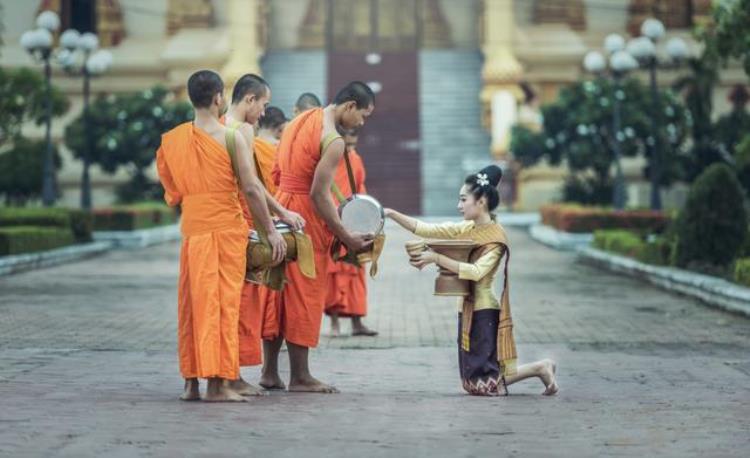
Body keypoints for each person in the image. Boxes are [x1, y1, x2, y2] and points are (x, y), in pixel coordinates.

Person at [155, 70, 286, 402]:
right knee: (223, 306)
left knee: (193, 306)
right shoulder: (231, 138)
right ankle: (217, 385)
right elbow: (253, 189)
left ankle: (192, 382)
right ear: (218, 99)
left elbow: (172, 192)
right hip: (226, 230)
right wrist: (270, 231)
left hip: (193, 232)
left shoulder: (171, 140)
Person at [385, 165, 559, 397]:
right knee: (473, 382)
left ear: (482, 201)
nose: (459, 206)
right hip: (468, 308)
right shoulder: (468, 227)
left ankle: (540, 367)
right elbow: (427, 228)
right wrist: (391, 213)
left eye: (463, 199)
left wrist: (436, 257)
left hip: (484, 310)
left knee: (485, 383)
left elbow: (476, 272)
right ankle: (540, 367)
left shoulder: (496, 238)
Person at [260, 82, 375, 393]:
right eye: (363, 115)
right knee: (303, 295)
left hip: (281, 208)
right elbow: (319, 195)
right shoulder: (334, 140)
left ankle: (270, 372)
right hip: (305, 218)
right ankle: (300, 376)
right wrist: (346, 236)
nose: (362, 123)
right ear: (349, 106)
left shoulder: (299, 119)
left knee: (279, 291)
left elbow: (275, 171)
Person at [223, 75, 304, 396]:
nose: (265, 112)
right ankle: (230, 374)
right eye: (264, 104)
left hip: (224, 224)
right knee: (239, 304)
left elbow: (253, 184)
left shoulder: (215, 128)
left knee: (233, 303)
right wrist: (272, 227)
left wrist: (280, 214)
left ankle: (228, 373)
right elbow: (252, 186)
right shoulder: (240, 131)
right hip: (239, 225)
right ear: (249, 100)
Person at [325, 129, 378, 337]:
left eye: (353, 145)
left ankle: (357, 322)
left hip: (355, 220)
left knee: (356, 272)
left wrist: (366, 216)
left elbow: (360, 187)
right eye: (347, 145)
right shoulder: (328, 160)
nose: (350, 150)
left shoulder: (355, 159)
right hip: (335, 220)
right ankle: (334, 324)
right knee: (335, 272)